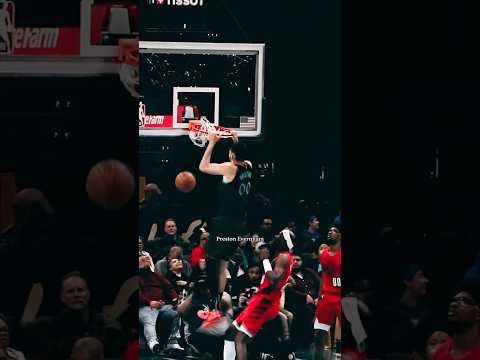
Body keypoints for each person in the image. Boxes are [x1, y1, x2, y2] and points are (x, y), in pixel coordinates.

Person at [198, 130, 253, 310]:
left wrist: (212, 142)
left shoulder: (229, 168)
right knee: (222, 264)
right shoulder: (248, 166)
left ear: (232, 154)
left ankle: (211, 303)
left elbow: (203, 167)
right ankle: (216, 306)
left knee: (212, 262)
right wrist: (235, 140)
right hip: (239, 224)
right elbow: (239, 155)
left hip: (226, 224)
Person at [224, 229, 295, 360]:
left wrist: (265, 260)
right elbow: (280, 278)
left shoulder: (284, 257)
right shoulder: (283, 257)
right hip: (262, 299)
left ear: (286, 240)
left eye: (279, 235)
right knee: (231, 332)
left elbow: (273, 283)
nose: (276, 236)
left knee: (240, 339)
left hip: (265, 302)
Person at [312, 225, 342, 360]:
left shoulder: (335, 254)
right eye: (329, 230)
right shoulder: (323, 254)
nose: (330, 232)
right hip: (327, 297)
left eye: (334, 231)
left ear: (340, 236)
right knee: (318, 334)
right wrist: (319, 298)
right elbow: (323, 279)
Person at [432, 279, 480, 360]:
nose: (453, 304)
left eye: (464, 301)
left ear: (478, 313)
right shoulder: (440, 352)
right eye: (454, 300)